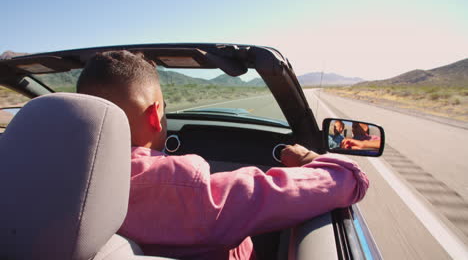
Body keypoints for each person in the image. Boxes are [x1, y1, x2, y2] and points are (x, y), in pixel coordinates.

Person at [77, 51, 369, 260]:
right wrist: (306, 158)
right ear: (155, 114)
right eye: (164, 107)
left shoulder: (45, 179)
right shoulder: (189, 190)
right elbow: (349, 180)